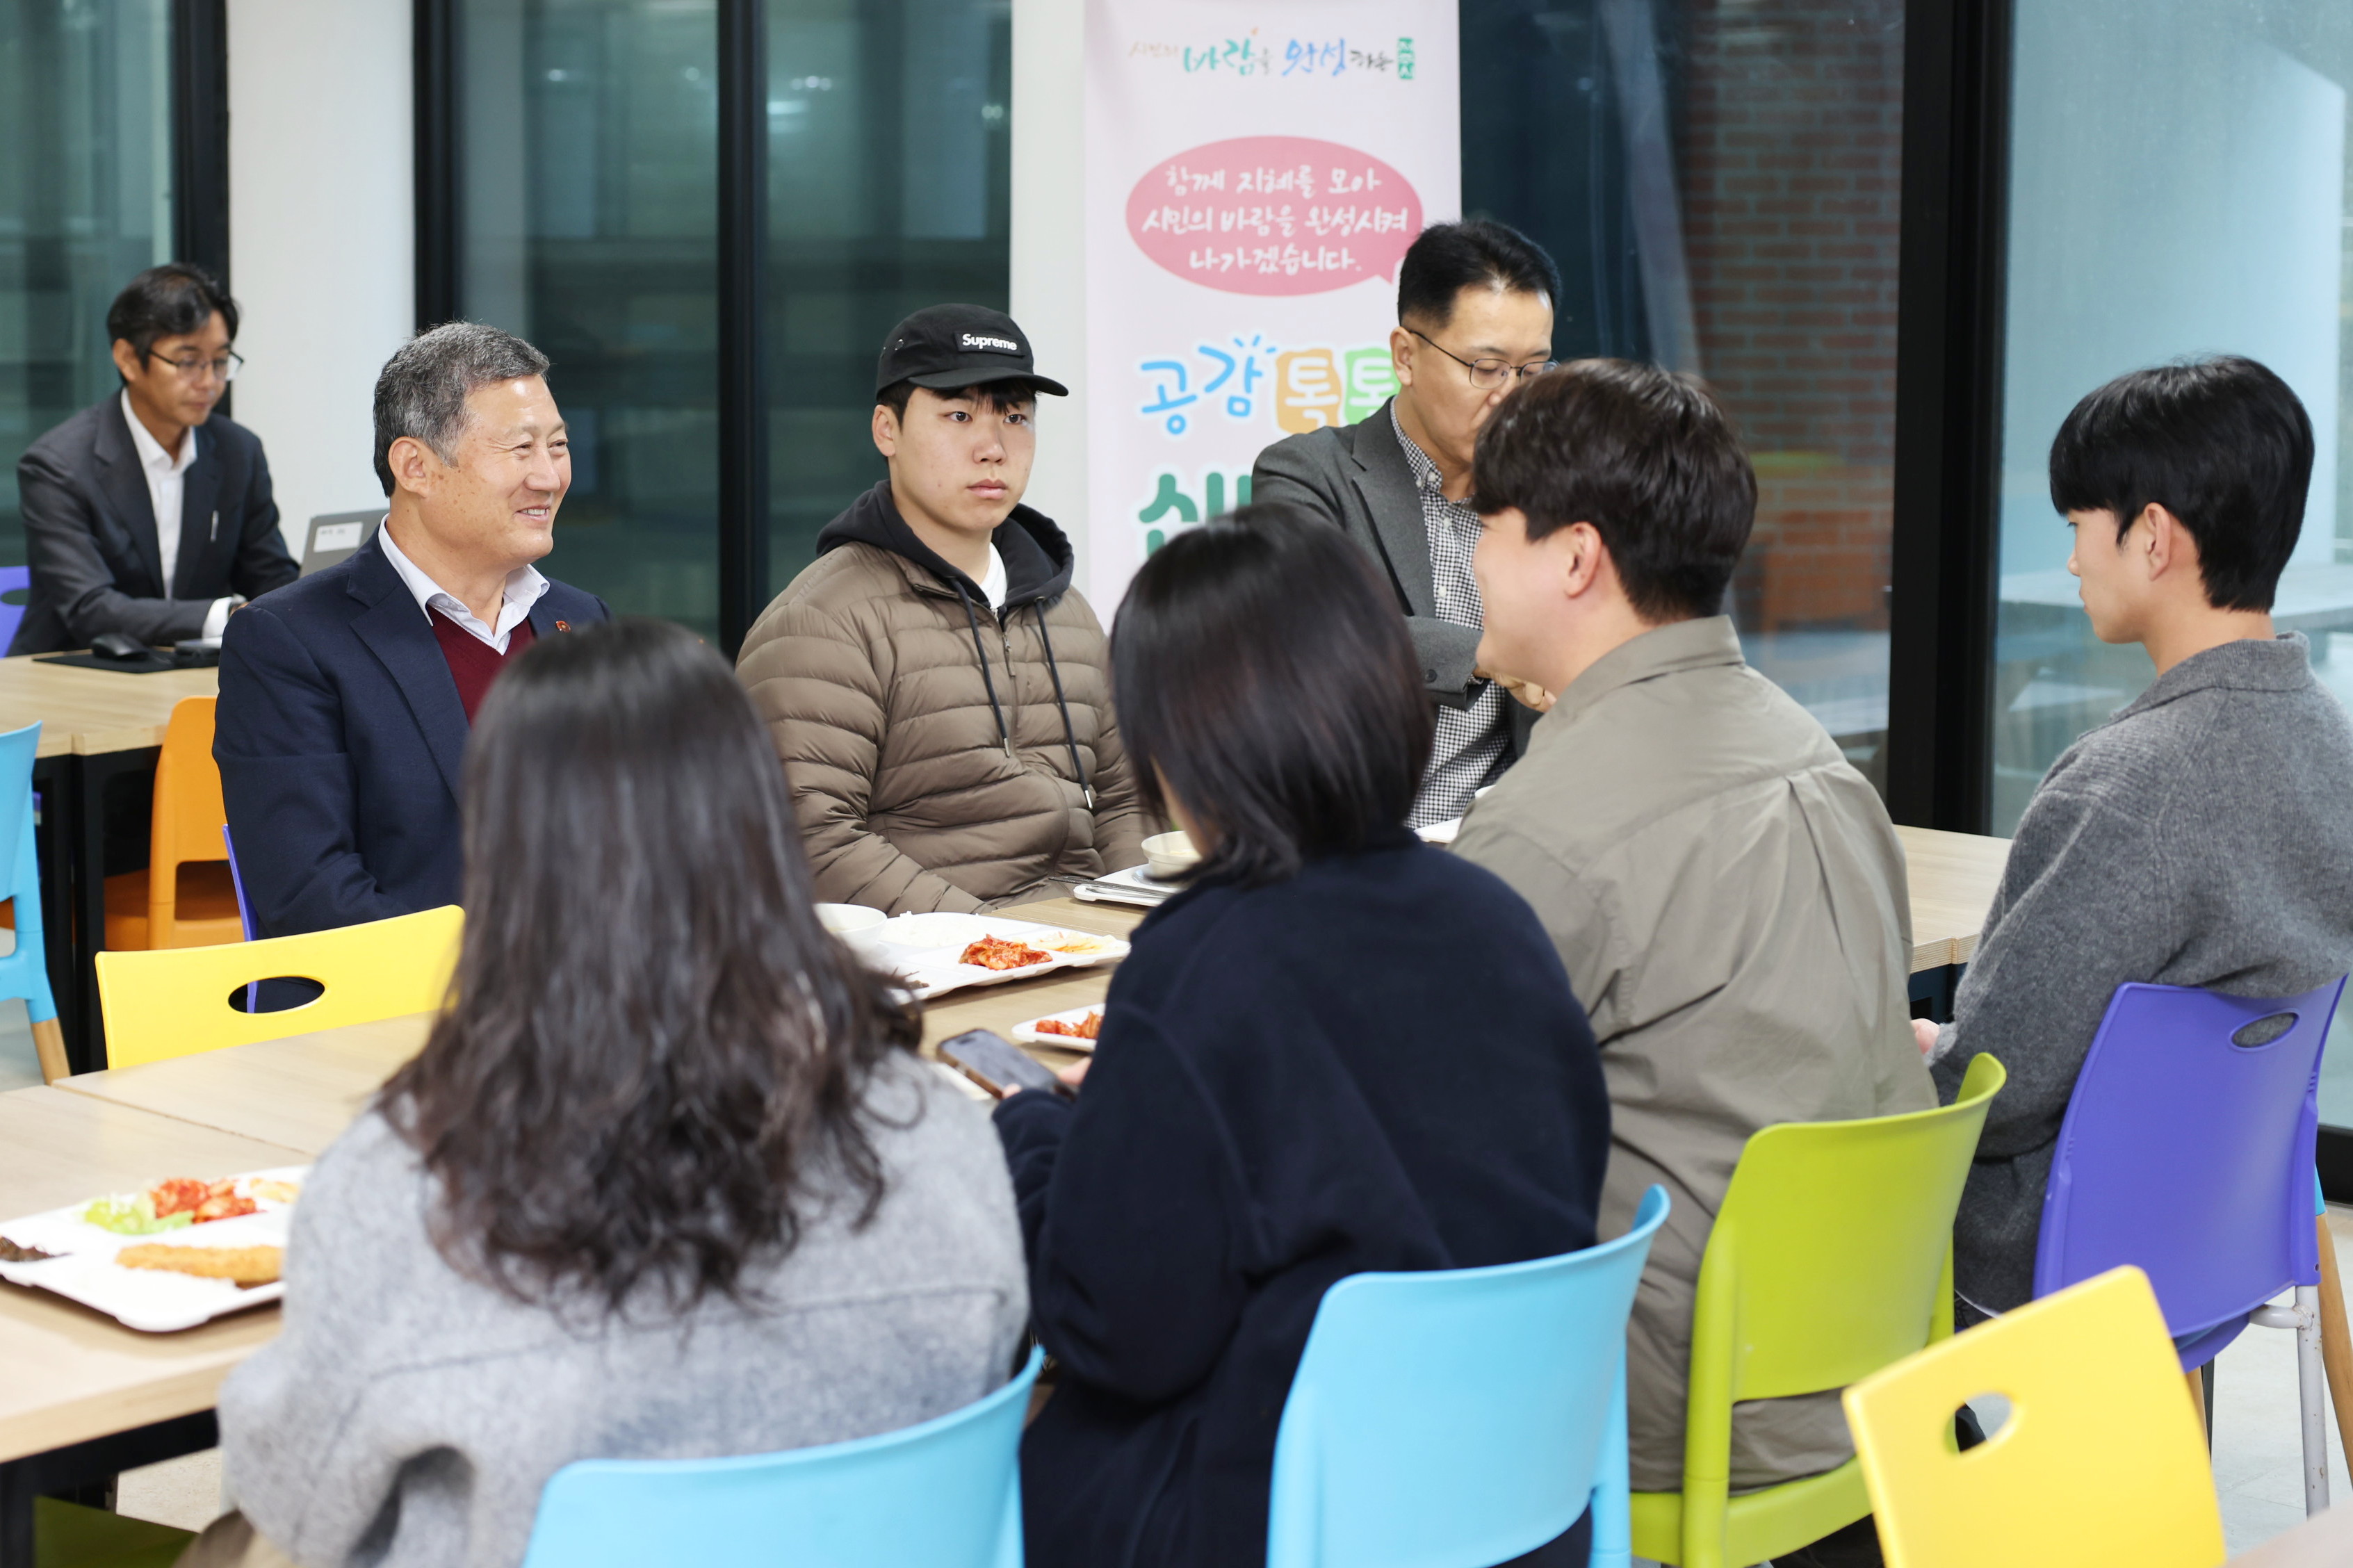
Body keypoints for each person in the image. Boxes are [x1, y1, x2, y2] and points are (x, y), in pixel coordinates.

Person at [181, 619, 1027, 1568]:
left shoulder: (409, 1181)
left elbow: (301, 1496)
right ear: (760, 828)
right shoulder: (940, 1133)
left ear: (503, 858)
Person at [993, 513, 1611, 1568]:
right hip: (1512, 1508)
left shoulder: (1198, 966)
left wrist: (1039, 1138)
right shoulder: (1492, 917)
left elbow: (1119, 1336)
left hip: (1282, 1512)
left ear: (1181, 741)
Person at [1449, 363, 1930, 1554]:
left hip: (1674, 1409)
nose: (1470, 566)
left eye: (1484, 531)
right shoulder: (1819, 759)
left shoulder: (1548, 827)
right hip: (1866, 1365)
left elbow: (1429, 1131)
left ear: (1573, 558)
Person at [1923, 357, 2353, 1318]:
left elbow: (1990, 1094)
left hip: (2048, 1264)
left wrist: (1926, 1053)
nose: (2074, 560)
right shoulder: (2330, 744)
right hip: (2214, 1241)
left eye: (2079, 527)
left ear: (2151, 536)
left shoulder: (2127, 788)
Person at [737, 304, 1144, 913]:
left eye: (1015, 417)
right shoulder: (821, 621)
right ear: (886, 430)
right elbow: (806, 838)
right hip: (934, 969)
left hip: (1086, 945)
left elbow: (1125, 801)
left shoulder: (1069, 613)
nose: (993, 447)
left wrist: (1146, 928)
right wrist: (994, 941)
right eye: (958, 415)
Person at [214, 322, 608, 938]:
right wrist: (501, 979)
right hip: (397, 1012)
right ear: (416, 467)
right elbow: (310, 895)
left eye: (556, 447)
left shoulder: (580, 620)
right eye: (519, 449)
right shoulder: (287, 640)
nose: (549, 477)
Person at [1250, 220, 1561, 825]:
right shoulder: (1309, 474)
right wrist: (1490, 654)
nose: (1512, 396)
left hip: (1504, 848)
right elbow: (1308, 629)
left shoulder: (1553, 497)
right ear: (1405, 356)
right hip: (1346, 848)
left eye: (1532, 371)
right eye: (1486, 367)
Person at [11, 263, 295, 655]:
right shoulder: (57, 465)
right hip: (73, 675)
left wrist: (311, 603)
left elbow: (270, 574)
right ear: (128, 359)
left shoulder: (238, 451)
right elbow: (91, 608)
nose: (209, 382)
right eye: (188, 361)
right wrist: (225, 616)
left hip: (185, 673)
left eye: (219, 362)